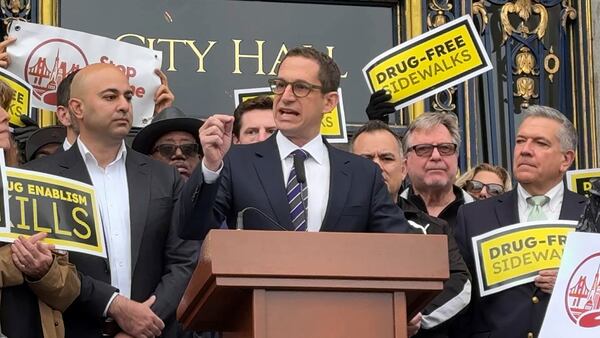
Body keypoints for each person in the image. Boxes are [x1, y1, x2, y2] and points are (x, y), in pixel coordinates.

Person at [24, 63, 198, 338]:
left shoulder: (164, 177)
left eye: (128, 97)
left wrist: (145, 321)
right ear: (77, 109)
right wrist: (113, 306)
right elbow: (44, 266)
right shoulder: (38, 177)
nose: (124, 105)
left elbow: (184, 260)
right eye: (110, 97)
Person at [177, 46, 410, 240]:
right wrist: (210, 166)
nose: (286, 96)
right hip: (257, 294)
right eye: (280, 85)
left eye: (300, 87)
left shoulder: (363, 174)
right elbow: (192, 228)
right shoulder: (237, 162)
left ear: (329, 102)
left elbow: (400, 249)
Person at [454, 105, 588, 338]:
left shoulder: (592, 214)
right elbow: (460, 303)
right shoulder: (473, 216)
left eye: (540, 143)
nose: (525, 150)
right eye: (520, 141)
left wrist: (571, 285)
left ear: (566, 160)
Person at [351, 120, 471, 338]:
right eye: (366, 159)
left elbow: (460, 285)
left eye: (387, 158)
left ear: (404, 168)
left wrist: (414, 316)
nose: (377, 166)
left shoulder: (434, 229)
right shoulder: (331, 224)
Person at [0, 79, 80, 338]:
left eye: (4, 106)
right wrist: (14, 261)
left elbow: (68, 292)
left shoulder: (30, 188)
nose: (6, 115)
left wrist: (43, 269)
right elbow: (11, 261)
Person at [399, 112, 475, 229]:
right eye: (423, 149)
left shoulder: (484, 217)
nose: (436, 156)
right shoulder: (390, 215)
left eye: (445, 148)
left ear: (457, 157)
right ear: (405, 162)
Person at [132, 106, 203, 180]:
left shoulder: (213, 190)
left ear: (200, 159)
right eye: (167, 149)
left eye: (188, 149)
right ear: (150, 161)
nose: (179, 154)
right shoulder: (132, 190)